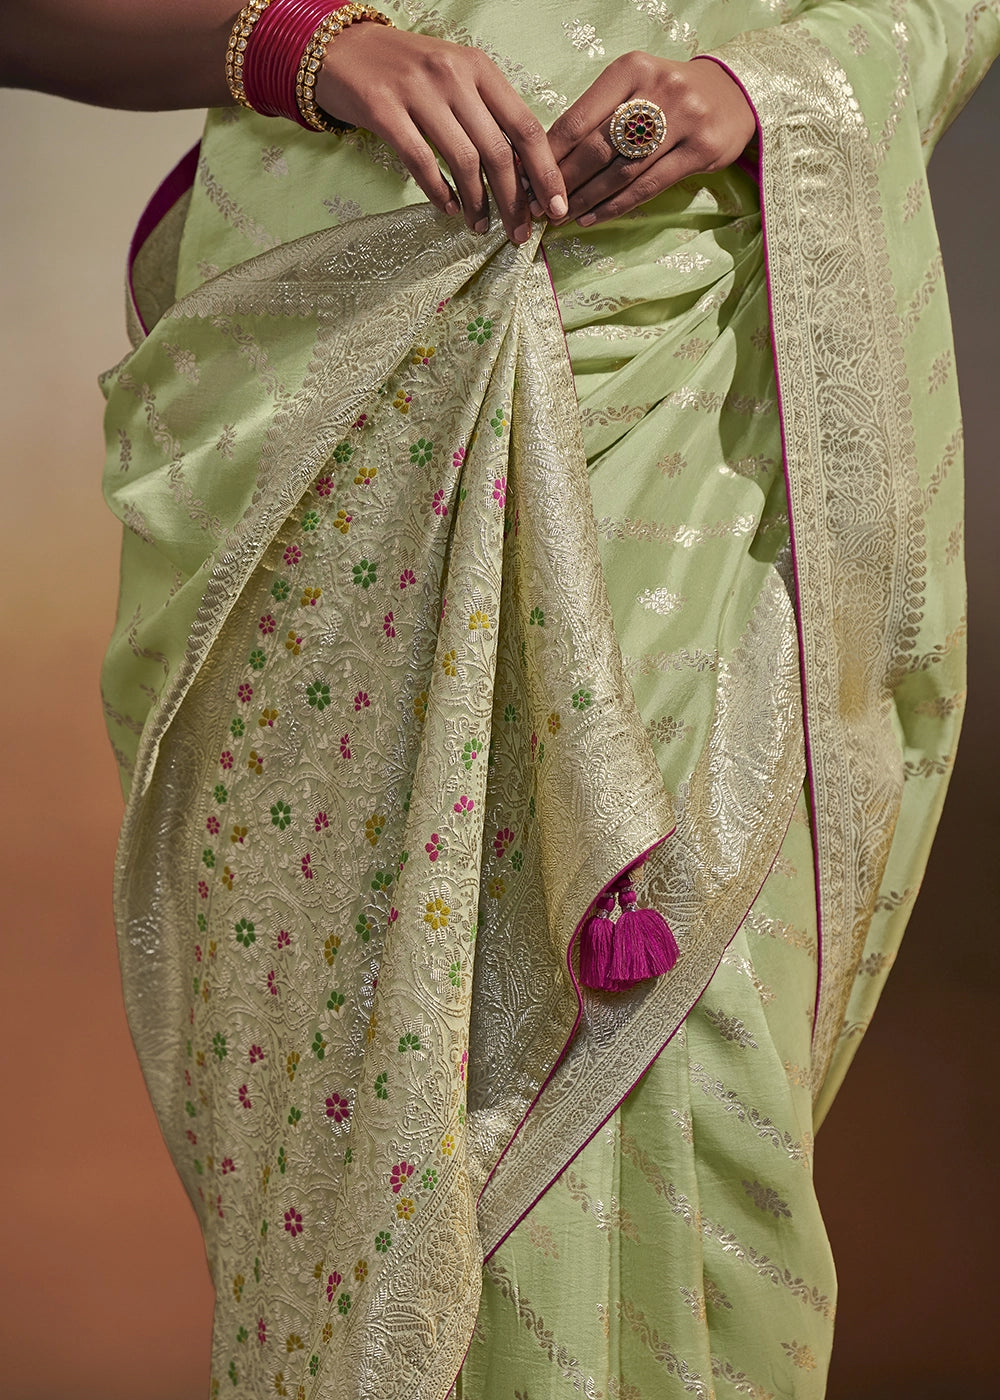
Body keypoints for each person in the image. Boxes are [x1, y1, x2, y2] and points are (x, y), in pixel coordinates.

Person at [4, 3, 997, 1396]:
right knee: (372, 1127)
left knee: (683, 1073)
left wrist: (750, 87)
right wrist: (291, 41)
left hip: (678, 406)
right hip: (336, 420)